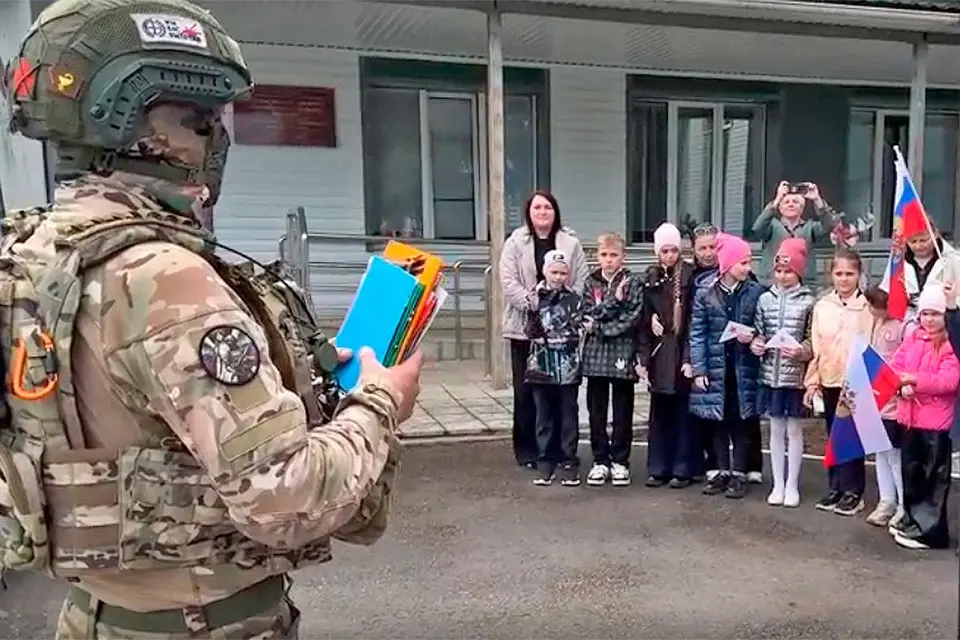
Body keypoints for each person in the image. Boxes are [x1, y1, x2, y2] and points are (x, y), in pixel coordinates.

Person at [0, 1, 423, 637]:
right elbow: (286, 496)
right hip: (203, 622)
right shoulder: (162, 276)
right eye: (200, 121)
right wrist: (381, 402)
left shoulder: (33, 255)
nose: (218, 141)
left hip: (96, 613)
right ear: (133, 125)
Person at [500, 191, 589, 470]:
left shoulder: (571, 243)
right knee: (526, 390)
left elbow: (581, 280)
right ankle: (528, 450)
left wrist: (562, 307)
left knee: (561, 392)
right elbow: (508, 281)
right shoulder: (515, 243)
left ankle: (560, 451)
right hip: (526, 328)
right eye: (537, 207)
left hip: (562, 332)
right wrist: (536, 303)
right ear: (529, 212)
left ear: (555, 211)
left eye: (547, 207)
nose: (542, 212)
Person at [678, 223, 764, 485]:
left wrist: (754, 337)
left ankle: (739, 472)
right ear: (728, 264)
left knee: (741, 419)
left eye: (749, 263)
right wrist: (699, 368)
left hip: (742, 366)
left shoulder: (755, 291)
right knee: (717, 419)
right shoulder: (705, 290)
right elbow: (697, 332)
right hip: (716, 367)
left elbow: (763, 325)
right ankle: (720, 470)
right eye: (743, 263)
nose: (747, 268)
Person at [804, 247, 874, 517]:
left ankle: (853, 491)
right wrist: (813, 381)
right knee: (834, 436)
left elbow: (871, 343)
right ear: (830, 275)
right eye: (839, 273)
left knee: (852, 438)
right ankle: (835, 486)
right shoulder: (823, 307)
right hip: (830, 379)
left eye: (849, 274)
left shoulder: (867, 307)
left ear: (859, 275)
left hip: (856, 381)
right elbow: (817, 345)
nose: (844, 279)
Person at [889, 285, 958, 550]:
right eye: (925, 313)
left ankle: (931, 532)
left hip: (935, 423)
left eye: (936, 314)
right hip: (910, 417)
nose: (929, 319)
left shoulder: (950, 343)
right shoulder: (914, 338)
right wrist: (900, 384)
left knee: (933, 479)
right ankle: (912, 520)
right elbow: (896, 366)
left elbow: (949, 381)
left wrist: (914, 380)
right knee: (913, 473)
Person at [751, 238, 815, 508]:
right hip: (770, 375)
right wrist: (757, 344)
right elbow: (758, 331)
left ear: (798, 271)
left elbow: (813, 340)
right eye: (778, 271)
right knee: (774, 430)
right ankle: (777, 483)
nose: (782, 276)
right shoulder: (764, 299)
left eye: (788, 271)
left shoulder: (809, 301)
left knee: (795, 431)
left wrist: (802, 351)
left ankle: (792, 484)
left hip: (795, 378)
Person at [581, 233, 644, 487]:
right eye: (604, 255)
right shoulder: (590, 283)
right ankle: (599, 460)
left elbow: (633, 316)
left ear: (623, 257)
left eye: (614, 255)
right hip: (595, 354)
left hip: (622, 351)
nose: (609, 260)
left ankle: (620, 460)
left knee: (622, 410)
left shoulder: (633, 283)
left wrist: (603, 327)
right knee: (596, 410)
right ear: (597, 257)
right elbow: (588, 314)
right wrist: (613, 301)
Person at [638, 223, 696, 488]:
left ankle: (683, 467)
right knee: (659, 413)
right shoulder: (650, 278)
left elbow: (695, 318)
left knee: (683, 413)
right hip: (659, 352)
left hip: (681, 349)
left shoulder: (689, 277)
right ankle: (658, 466)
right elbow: (642, 316)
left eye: (674, 250)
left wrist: (688, 357)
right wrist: (649, 321)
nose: (670, 255)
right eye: (665, 250)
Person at [525, 250, 585, 487]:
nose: (558, 277)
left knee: (568, 415)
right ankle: (544, 460)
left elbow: (579, 325)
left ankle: (569, 459)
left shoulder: (574, 299)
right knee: (544, 416)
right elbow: (529, 328)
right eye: (554, 272)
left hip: (568, 365)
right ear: (545, 271)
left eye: (563, 272)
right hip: (541, 365)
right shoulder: (534, 298)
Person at [863, 286, 907, 528]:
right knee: (880, 451)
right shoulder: (876, 323)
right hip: (877, 397)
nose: (872, 310)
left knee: (895, 454)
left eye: (875, 306)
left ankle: (902, 504)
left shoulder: (903, 325)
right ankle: (886, 500)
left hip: (894, 400)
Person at [752, 180, 841, 284]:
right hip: (772, 283)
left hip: (803, 284)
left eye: (795, 202)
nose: (791, 205)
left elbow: (829, 225)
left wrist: (817, 199)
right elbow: (758, 227)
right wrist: (777, 199)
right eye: (786, 202)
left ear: (802, 208)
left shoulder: (810, 227)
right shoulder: (771, 226)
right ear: (779, 208)